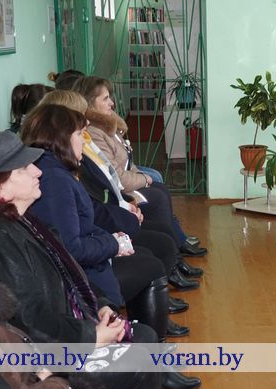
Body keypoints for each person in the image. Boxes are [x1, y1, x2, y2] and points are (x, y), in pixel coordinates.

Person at [0, 131, 201, 389]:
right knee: (140, 352)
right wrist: (91, 337)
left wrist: (101, 306)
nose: (38, 171)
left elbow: (73, 274)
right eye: (24, 168)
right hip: (41, 360)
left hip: (63, 331)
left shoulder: (25, 222)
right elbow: (29, 321)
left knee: (144, 336)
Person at [20, 104, 191, 340]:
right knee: (151, 264)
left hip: (87, 258)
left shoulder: (55, 169)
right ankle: (145, 340)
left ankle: (139, 332)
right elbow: (70, 248)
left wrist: (113, 238)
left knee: (147, 253)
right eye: (79, 135)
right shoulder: (55, 180)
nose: (84, 141)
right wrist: (112, 243)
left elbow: (85, 219)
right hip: (79, 277)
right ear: (61, 138)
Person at [72, 76, 207, 256]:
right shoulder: (95, 133)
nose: (112, 103)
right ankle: (172, 249)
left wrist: (142, 177)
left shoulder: (108, 125)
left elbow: (128, 161)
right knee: (158, 195)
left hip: (125, 181)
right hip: (118, 191)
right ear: (89, 103)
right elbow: (116, 177)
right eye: (105, 99)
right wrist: (144, 179)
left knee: (159, 186)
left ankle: (175, 242)